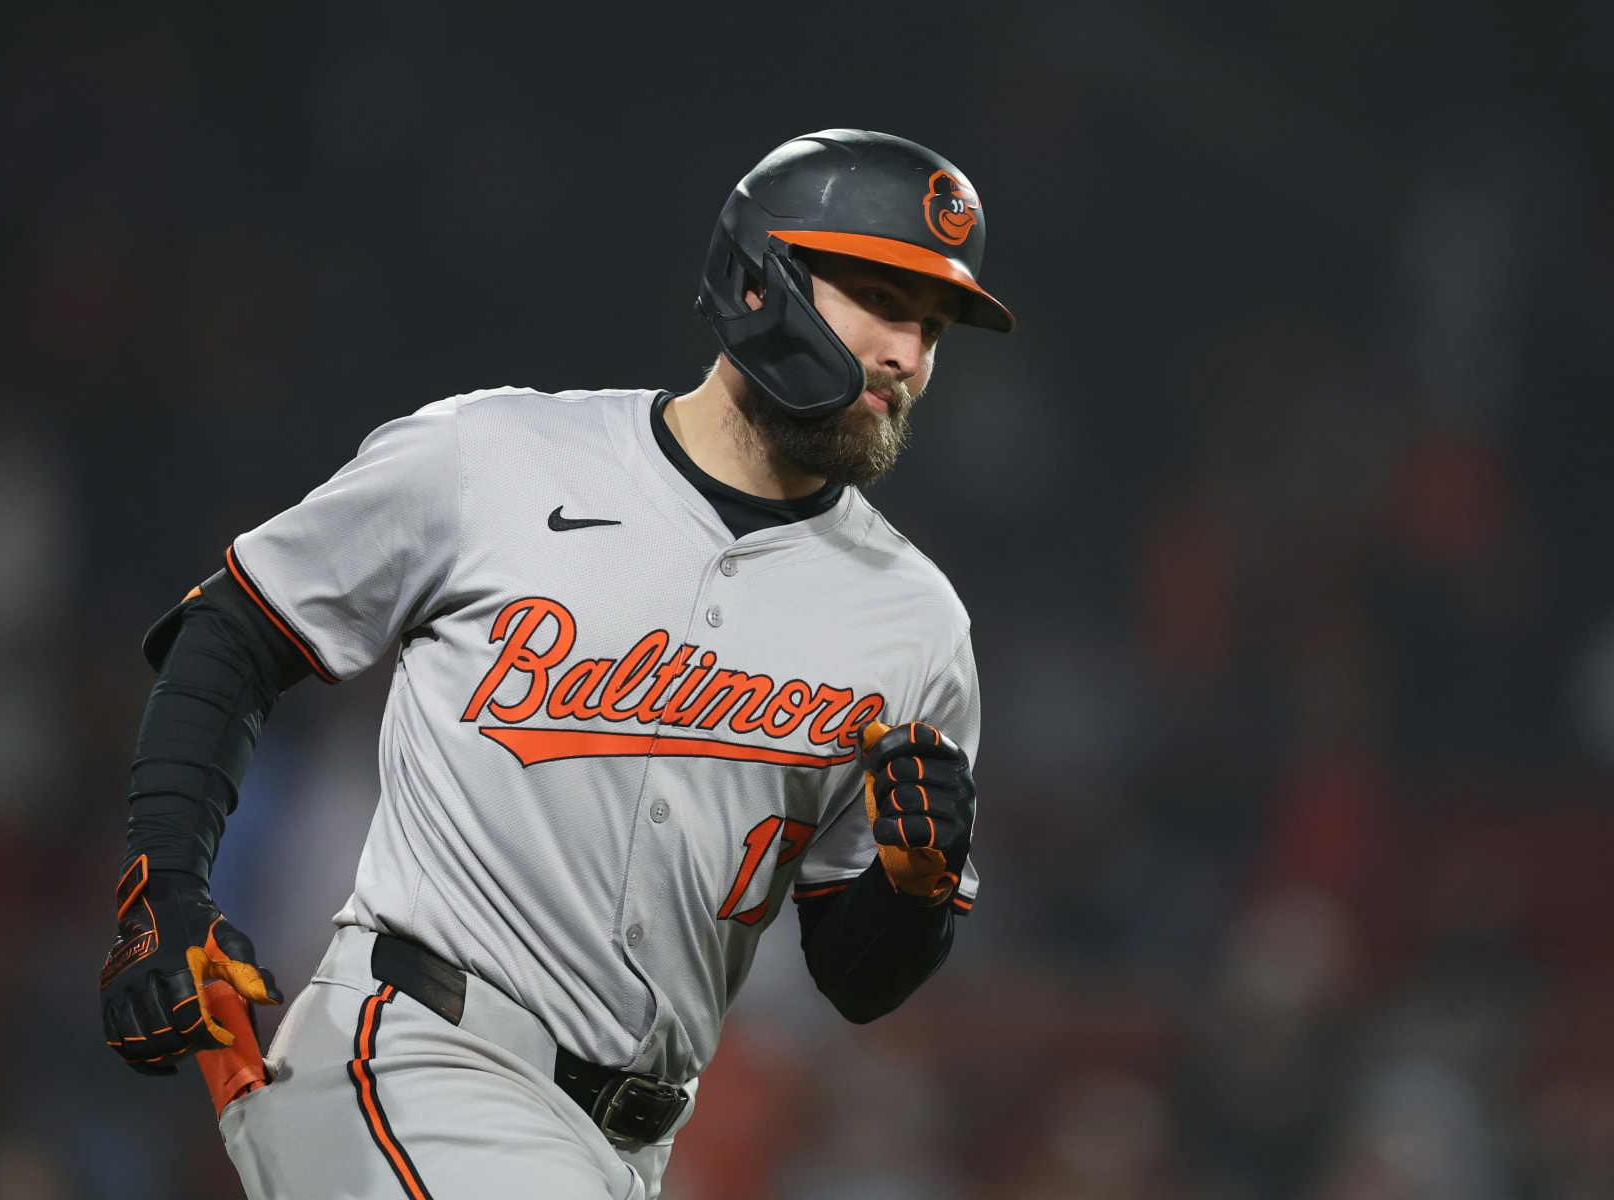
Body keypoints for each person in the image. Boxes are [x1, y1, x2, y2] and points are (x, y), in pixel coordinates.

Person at [99, 128, 1012, 1200]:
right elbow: (236, 629)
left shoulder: (910, 622)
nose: (910, 355)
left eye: (935, 326)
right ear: (764, 278)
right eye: (884, 301)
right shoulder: (494, 457)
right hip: (413, 1057)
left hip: (624, 1151)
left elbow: (855, 979)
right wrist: (165, 882)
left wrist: (913, 893)